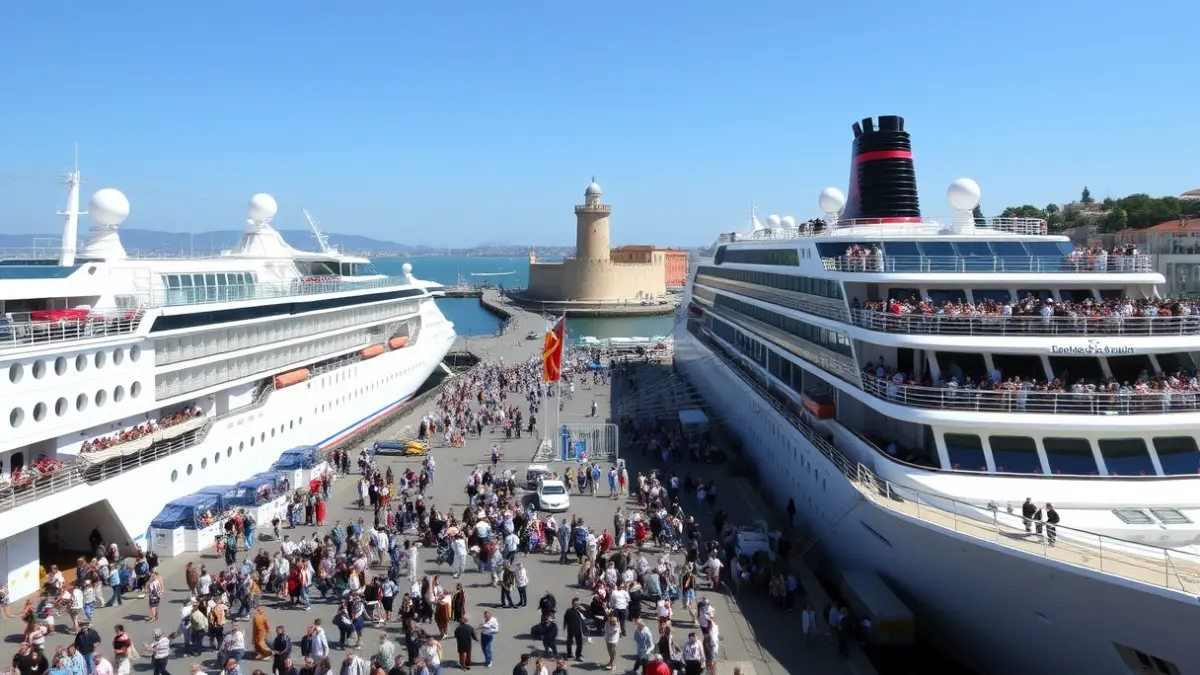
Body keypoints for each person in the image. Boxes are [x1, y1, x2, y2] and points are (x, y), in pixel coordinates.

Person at [561, 598, 586, 662]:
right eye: (575, 603)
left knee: (580, 643)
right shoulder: (569, 611)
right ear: (572, 604)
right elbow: (565, 619)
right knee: (569, 642)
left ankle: (578, 655)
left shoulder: (581, 611)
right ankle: (569, 654)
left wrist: (585, 630)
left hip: (578, 629)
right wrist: (564, 629)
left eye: (578, 603)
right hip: (571, 629)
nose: (577, 605)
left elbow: (584, 619)